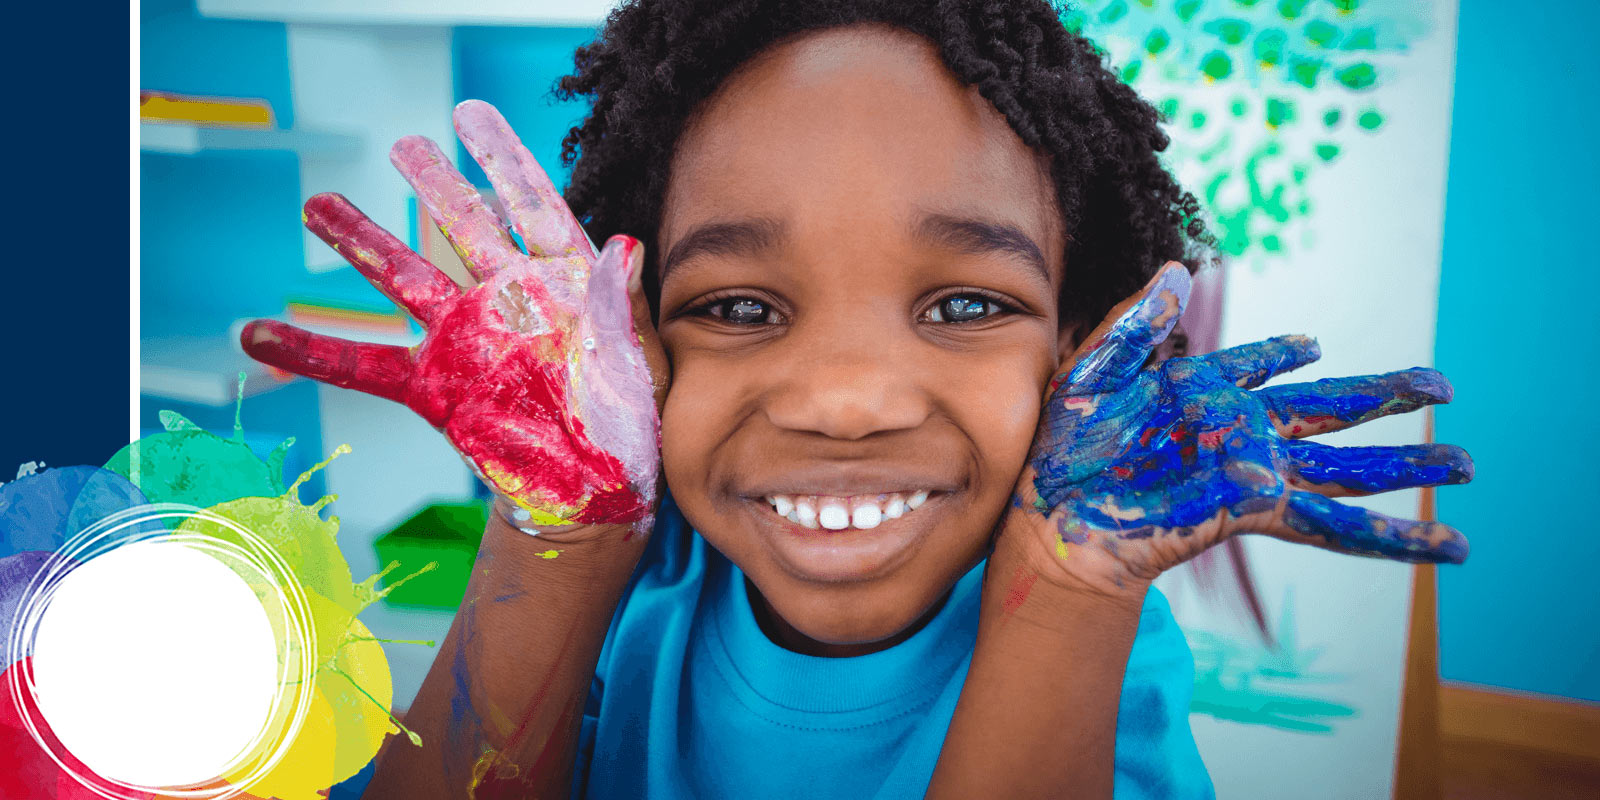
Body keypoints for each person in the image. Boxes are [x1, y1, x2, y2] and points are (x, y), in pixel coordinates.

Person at [242, 1, 1473, 797]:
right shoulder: (640, 584)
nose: (842, 401)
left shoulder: (1099, 624)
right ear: (635, 345)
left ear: (1079, 349)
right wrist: (555, 544)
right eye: (736, 307)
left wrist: (1070, 596)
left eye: (963, 306)